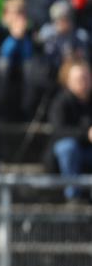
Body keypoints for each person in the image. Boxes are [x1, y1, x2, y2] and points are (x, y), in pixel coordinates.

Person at [48, 59, 92, 199]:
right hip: (67, 154)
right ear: (68, 81)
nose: (83, 82)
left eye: (86, 77)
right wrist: (87, 134)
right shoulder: (60, 102)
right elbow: (59, 130)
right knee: (67, 147)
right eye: (79, 79)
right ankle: (73, 195)